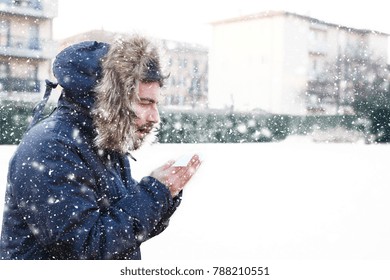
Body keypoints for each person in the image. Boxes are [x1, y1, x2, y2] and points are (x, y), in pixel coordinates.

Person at [0, 34, 201, 260]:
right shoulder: (51, 149)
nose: (155, 117)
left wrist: (163, 190)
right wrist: (156, 193)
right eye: (145, 103)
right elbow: (86, 247)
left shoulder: (103, 142)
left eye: (156, 104)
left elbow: (125, 230)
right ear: (110, 100)